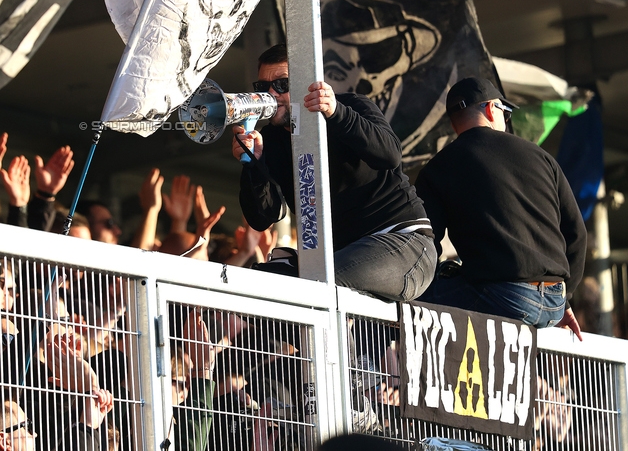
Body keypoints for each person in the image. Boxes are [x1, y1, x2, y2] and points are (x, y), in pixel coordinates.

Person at [233, 44, 436, 302]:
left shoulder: (350, 105)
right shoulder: (270, 139)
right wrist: (253, 164)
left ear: (306, 81)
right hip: (340, 259)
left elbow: (390, 155)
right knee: (262, 287)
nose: (272, 94)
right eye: (263, 87)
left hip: (402, 242)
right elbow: (263, 218)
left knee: (316, 284)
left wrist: (337, 113)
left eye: (282, 84)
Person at [415, 77, 586, 335]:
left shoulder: (439, 167)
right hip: (555, 303)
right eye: (506, 113)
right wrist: (566, 298)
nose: (506, 120)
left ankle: (371, 356)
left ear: (453, 122)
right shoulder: (542, 157)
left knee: (414, 296)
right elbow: (577, 233)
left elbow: (424, 244)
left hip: (503, 297)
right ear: (490, 108)